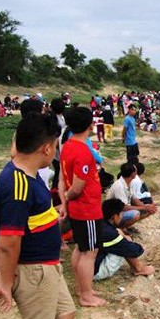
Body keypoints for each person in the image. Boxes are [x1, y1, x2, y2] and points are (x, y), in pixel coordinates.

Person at [0, 112, 107, 319]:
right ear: (46, 148)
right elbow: (9, 241)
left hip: (48, 265)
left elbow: (16, 228)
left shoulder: (28, 175)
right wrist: (4, 281)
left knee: (64, 315)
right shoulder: (16, 184)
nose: (55, 150)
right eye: (54, 145)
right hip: (32, 270)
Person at [60, 107, 106, 307]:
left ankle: (82, 287)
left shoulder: (67, 146)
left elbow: (62, 178)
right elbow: (76, 187)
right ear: (90, 125)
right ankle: (86, 295)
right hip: (86, 208)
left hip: (80, 208)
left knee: (81, 248)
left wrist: (64, 201)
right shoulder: (83, 152)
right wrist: (68, 198)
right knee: (90, 251)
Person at [94, 199, 154, 280]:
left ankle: (136, 267)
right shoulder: (109, 233)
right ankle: (138, 269)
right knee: (125, 243)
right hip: (95, 272)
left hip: (85, 267)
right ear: (115, 217)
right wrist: (126, 239)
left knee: (121, 237)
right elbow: (135, 250)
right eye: (121, 213)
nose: (122, 216)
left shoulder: (99, 223)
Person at [105, 162, 156, 229]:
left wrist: (146, 206)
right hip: (114, 213)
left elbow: (134, 198)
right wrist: (143, 208)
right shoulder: (119, 186)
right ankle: (119, 228)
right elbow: (123, 207)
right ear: (133, 174)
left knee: (150, 209)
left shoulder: (129, 183)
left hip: (122, 210)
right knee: (135, 214)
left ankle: (125, 226)